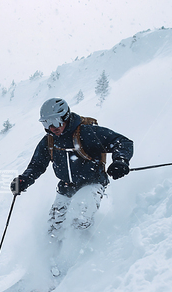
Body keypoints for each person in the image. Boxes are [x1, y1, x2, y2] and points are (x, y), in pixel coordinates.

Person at [10, 97, 133, 238]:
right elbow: (37, 165)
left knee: (80, 218)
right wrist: (24, 180)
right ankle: (54, 256)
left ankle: (84, 253)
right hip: (66, 187)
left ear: (66, 116)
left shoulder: (87, 133)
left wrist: (120, 161)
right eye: (46, 123)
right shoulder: (49, 141)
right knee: (53, 229)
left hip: (92, 182)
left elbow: (123, 142)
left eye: (55, 121)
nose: (52, 127)